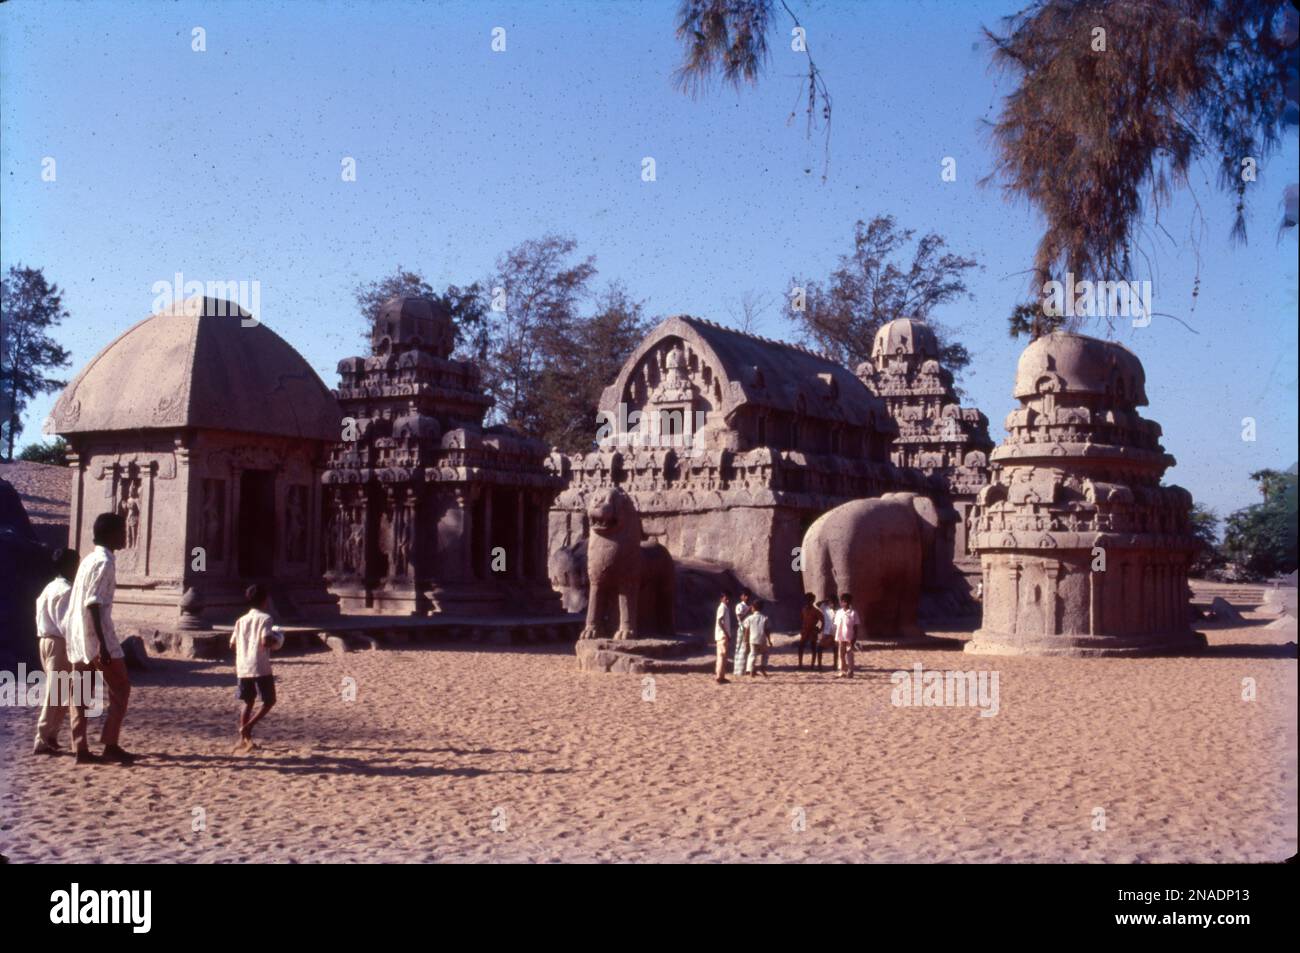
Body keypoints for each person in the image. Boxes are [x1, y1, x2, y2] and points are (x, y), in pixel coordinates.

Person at [66, 513, 133, 765]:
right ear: (111, 534)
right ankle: (110, 743)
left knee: (81, 692)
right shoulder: (104, 562)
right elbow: (93, 603)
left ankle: (80, 747)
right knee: (121, 688)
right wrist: (104, 645)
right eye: (121, 531)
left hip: (79, 636)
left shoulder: (88, 559)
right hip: (97, 637)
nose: (125, 535)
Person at [32, 548, 79, 755]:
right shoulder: (67, 590)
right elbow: (66, 623)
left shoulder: (49, 587)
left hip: (45, 640)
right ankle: (42, 737)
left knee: (59, 692)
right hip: (59, 643)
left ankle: (50, 736)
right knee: (56, 693)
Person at [230, 584, 284, 753]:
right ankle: (247, 727)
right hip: (260, 666)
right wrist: (278, 640)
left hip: (242, 665)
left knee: (248, 701)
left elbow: (232, 644)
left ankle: (243, 740)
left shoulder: (240, 620)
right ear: (265, 600)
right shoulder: (266, 618)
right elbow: (265, 641)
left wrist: (245, 650)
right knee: (269, 700)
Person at [832, 593, 860, 679]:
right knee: (841, 655)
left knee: (849, 655)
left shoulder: (853, 613)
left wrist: (854, 638)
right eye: (843, 602)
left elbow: (855, 627)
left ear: (850, 602)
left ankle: (850, 671)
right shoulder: (839, 613)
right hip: (840, 637)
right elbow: (835, 626)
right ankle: (842, 671)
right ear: (841, 602)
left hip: (849, 637)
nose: (845, 603)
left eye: (847, 602)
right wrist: (835, 637)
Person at [797, 592, 824, 670]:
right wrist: (801, 629)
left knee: (813, 648)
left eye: (810, 600)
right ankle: (800, 665)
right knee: (801, 647)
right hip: (805, 630)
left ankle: (812, 665)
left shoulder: (816, 611)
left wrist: (819, 630)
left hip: (812, 631)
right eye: (807, 600)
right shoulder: (804, 609)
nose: (808, 601)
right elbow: (802, 619)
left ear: (813, 600)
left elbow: (823, 621)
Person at [744, 599, 771, 677]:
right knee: (765, 653)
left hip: (752, 639)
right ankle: (762, 666)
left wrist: (746, 641)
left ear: (753, 608)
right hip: (762, 639)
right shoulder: (765, 618)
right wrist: (769, 640)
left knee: (752, 654)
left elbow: (747, 631)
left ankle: (751, 671)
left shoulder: (749, 618)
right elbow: (767, 630)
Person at [713, 592, 734, 684]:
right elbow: (720, 621)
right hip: (722, 635)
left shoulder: (724, 608)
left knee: (722, 656)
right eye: (726, 598)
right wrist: (726, 634)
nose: (727, 600)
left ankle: (721, 676)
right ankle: (720, 677)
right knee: (722, 656)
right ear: (721, 598)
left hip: (722, 635)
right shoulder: (722, 607)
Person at [732, 590, 753, 677]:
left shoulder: (748, 606)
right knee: (740, 648)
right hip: (742, 629)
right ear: (742, 596)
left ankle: (747, 669)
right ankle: (738, 671)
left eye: (748, 596)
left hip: (748, 629)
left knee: (747, 649)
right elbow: (740, 617)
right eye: (745, 595)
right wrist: (748, 611)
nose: (747, 597)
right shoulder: (739, 606)